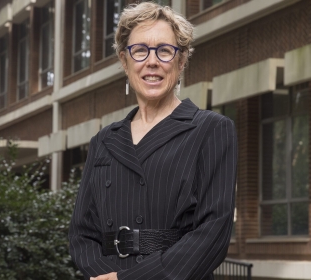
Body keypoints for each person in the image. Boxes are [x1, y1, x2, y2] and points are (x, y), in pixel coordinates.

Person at [68, 2, 237, 280]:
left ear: (181, 61)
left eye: (165, 51)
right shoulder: (103, 141)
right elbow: (81, 233)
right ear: (125, 61)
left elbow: (214, 232)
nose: (152, 61)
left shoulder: (211, 129)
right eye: (140, 50)